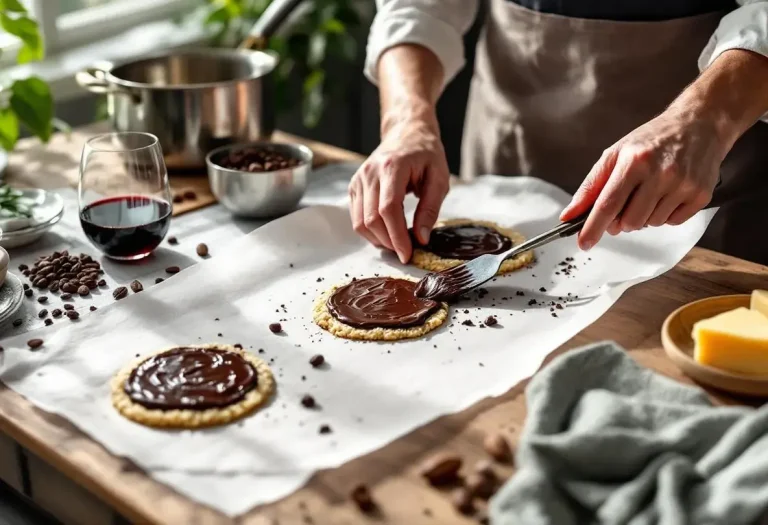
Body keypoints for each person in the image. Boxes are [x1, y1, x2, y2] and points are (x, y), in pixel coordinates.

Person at [349, 0, 768, 265]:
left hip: (702, 183)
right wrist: (406, 122)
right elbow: (421, 8)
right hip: (510, 150)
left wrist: (701, 120)